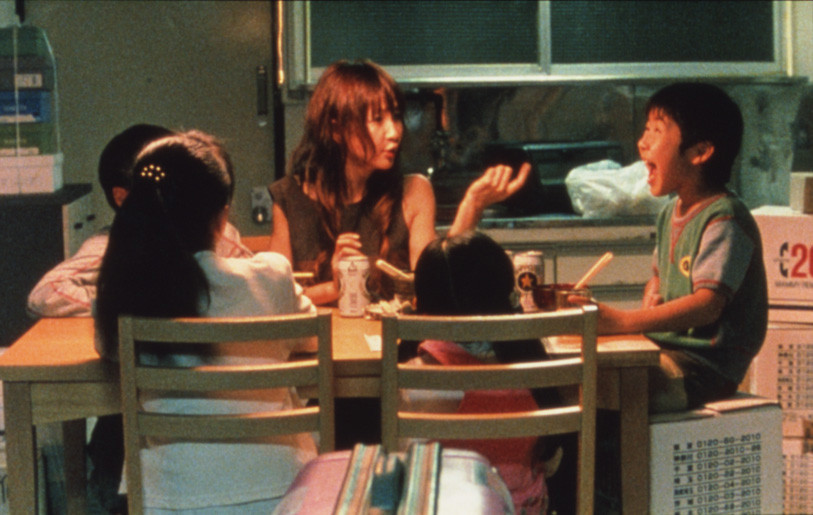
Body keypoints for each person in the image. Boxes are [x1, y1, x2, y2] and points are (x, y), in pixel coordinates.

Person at [94, 130, 316, 513]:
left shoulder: (126, 294)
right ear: (222, 214)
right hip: (281, 495)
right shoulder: (271, 277)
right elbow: (309, 339)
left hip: (172, 500)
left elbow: (107, 349)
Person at [571, 82, 768, 414]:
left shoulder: (724, 217)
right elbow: (659, 276)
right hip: (668, 350)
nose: (642, 142)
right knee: (583, 378)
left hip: (705, 367)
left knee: (605, 392)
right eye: (645, 129)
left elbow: (707, 305)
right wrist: (653, 293)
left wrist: (625, 321)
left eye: (656, 131)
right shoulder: (669, 212)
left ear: (699, 152)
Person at [268, 59, 530, 306]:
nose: (394, 132)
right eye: (378, 119)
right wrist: (336, 287)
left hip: (392, 339)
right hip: (322, 339)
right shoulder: (289, 198)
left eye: (395, 117)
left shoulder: (413, 192)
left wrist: (472, 206)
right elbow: (273, 300)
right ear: (336, 129)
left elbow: (434, 287)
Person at [406, 230, 571, 514]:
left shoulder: (421, 374)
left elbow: (404, 461)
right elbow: (553, 461)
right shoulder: (533, 363)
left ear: (423, 304)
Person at [26, 124, 251, 319]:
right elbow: (45, 293)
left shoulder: (217, 232)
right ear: (122, 197)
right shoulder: (107, 245)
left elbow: (249, 279)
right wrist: (119, 302)